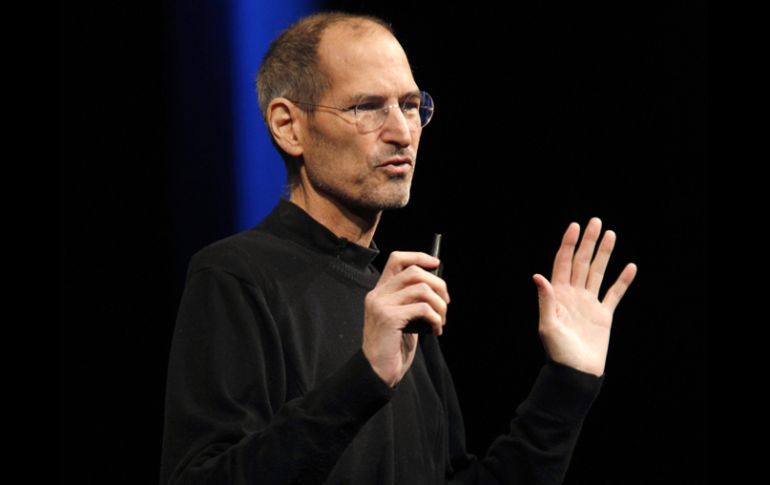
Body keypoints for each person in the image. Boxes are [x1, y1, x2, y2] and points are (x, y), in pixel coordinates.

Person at [159, 11, 638, 485]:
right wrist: (364, 377)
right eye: (367, 107)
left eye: (410, 105)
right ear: (289, 126)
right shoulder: (236, 276)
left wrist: (567, 383)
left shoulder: (397, 301)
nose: (402, 132)